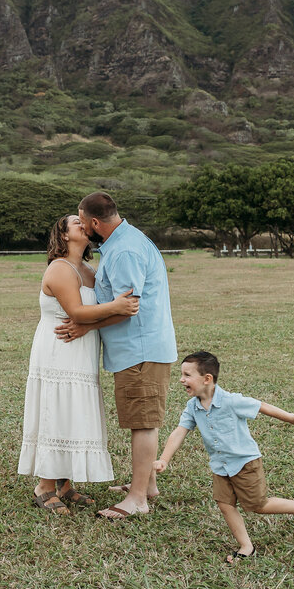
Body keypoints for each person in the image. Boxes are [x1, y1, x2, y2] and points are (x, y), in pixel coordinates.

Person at [57, 191, 177, 521]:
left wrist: (85, 326)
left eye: (82, 222)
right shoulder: (123, 241)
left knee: (142, 423)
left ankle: (138, 499)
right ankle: (146, 484)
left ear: (94, 223)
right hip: (135, 349)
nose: (82, 227)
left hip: (141, 349)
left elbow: (128, 308)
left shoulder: (124, 250)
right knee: (139, 418)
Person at [18, 214, 140, 514]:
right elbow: (77, 311)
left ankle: (65, 483)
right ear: (63, 235)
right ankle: (44, 486)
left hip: (82, 347)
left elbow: (88, 317)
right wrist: (117, 306)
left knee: (73, 410)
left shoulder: (87, 269)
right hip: (59, 347)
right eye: (75, 222)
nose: (83, 224)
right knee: (56, 408)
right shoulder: (60, 269)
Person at [153, 351, 294, 563]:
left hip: (244, 463)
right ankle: (246, 546)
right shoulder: (192, 407)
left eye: (187, 375)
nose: (181, 379)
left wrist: (290, 418)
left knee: (257, 505)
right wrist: (164, 459)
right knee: (225, 504)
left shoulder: (231, 401)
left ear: (207, 379)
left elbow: (261, 406)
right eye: (181, 374)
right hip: (220, 466)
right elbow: (179, 432)